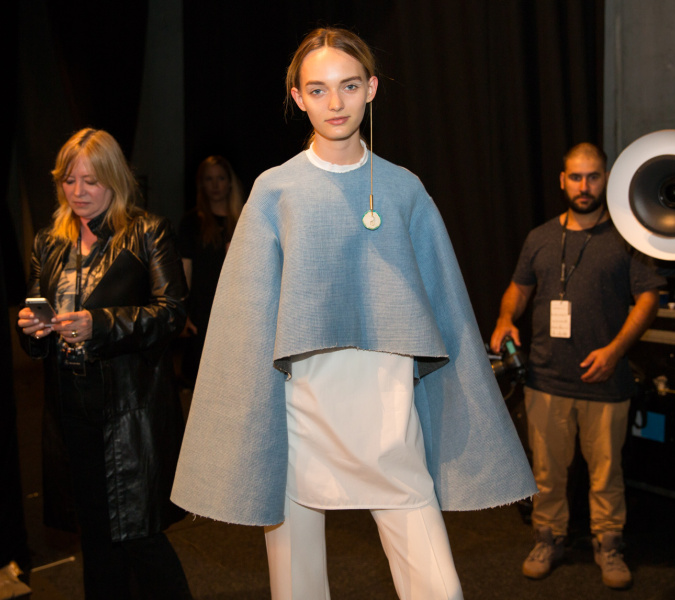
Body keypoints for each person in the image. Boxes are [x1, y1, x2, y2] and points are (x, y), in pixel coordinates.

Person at [172, 27, 536, 600]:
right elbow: (246, 319)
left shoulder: (403, 189)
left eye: (348, 85)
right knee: (297, 587)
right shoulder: (275, 191)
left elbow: (445, 304)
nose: (334, 103)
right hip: (298, 403)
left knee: (437, 586)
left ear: (371, 88)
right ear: (298, 97)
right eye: (318, 89)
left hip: (386, 407)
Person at [16, 128, 192, 599]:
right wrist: (31, 330)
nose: (78, 192)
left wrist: (101, 324)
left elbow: (172, 313)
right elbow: (36, 321)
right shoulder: (48, 242)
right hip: (70, 409)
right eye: (69, 180)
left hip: (129, 410)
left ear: (114, 179)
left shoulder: (147, 231)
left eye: (90, 181)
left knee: (139, 536)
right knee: (95, 535)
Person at [490, 143, 663, 589]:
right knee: (546, 474)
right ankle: (548, 539)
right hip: (546, 378)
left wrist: (615, 351)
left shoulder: (627, 239)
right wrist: (506, 318)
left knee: (607, 475)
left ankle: (609, 545)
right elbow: (519, 288)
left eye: (593, 176)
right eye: (576, 177)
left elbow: (648, 299)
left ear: (606, 179)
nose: (584, 186)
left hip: (606, 380)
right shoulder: (540, 237)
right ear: (562, 181)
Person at [177, 156, 245, 386]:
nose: (215, 185)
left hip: (238, 310)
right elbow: (185, 270)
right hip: (203, 310)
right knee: (201, 380)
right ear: (201, 184)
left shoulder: (245, 219)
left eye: (221, 178)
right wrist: (182, 312)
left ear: (230, 182)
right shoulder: (191, 222)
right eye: (209, 179)